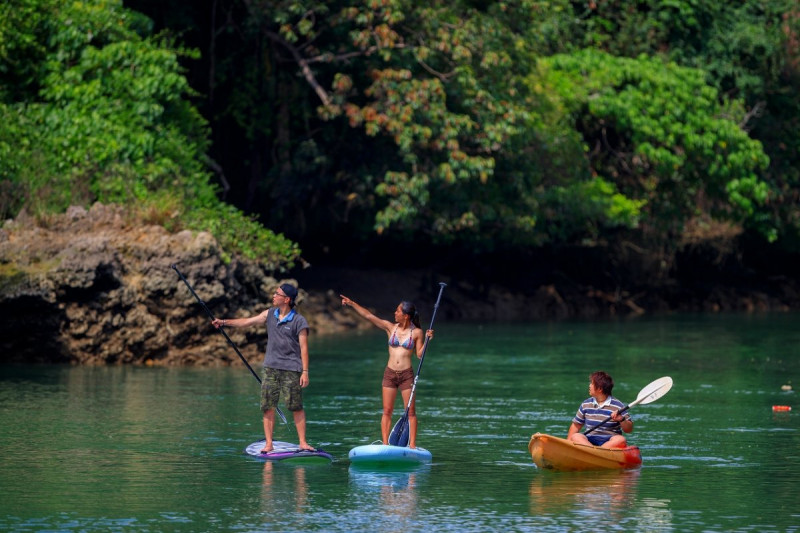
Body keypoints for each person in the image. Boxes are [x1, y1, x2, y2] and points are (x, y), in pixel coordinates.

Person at [212, 283, 313, 453]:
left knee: (296, 406)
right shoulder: (269, 314)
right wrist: (224, 322)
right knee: (268, 406)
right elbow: (247, 322)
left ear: (286, 299)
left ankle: (303, 443)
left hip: (292, 369)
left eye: (277, 293)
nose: (273, 296)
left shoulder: (299, 321)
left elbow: (304, 348)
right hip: (271, 368)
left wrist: (305, 372)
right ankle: (268, 444)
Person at [340, 295, 433, 448]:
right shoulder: (390, 327)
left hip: (406, 376)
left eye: (397, 311)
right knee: (387, 410)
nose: (394, 313)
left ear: (406, 316)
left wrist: (428, 340)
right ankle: (385, 444)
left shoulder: (416, 332)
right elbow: (369, 315)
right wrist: (352, 304)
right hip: (390, 374)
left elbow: (419, 355)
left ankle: (412, 446)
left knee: (410, 412)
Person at [567, 371, 633, 448]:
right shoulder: (586, 404)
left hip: (609, 442)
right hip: (589, 441)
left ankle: (597, 452)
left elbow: (628, 429)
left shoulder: (618, 405)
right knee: (576, 436)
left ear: (600, 389)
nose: (589, 386)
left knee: (621, 439)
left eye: (592, 383)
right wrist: (568, 443)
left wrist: (621, 419)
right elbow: (576, 425)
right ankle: (593, 452)